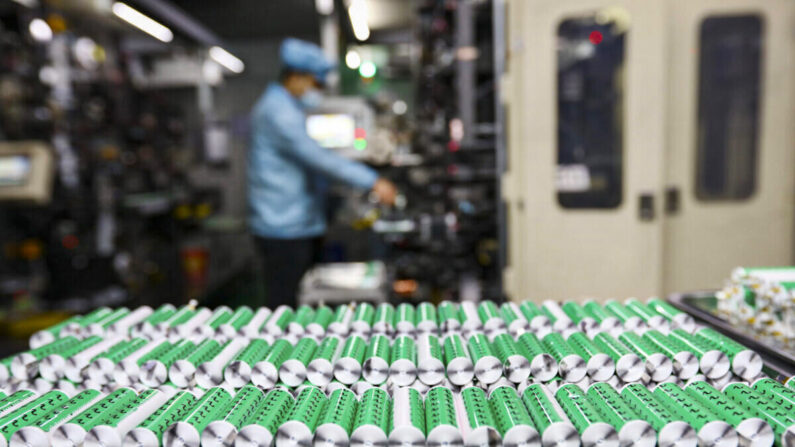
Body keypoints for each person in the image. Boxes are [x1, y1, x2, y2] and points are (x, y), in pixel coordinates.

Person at [248, 38, 397, 309]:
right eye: (315, 83)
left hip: (297, 222)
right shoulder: (278, 112)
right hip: (283, 228)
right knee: (284, 305)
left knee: (303, 300)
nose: (316, 91)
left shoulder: (289, 108)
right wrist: (372, 181)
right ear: (295, 77)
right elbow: (318, 158)